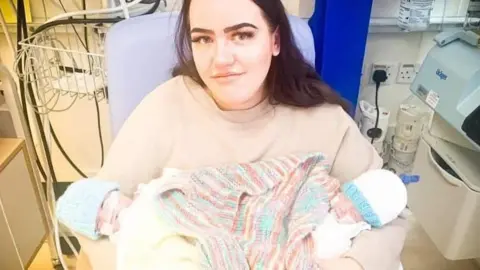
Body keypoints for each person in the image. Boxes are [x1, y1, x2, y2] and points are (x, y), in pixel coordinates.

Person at [73, 0, 408, 269]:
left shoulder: (324, 120)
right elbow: (95, 214)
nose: (221, 59)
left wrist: (352, 264)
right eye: (203, 39)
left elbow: (390, 213)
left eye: (242, 35)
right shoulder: (164, 108)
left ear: (275, 41)